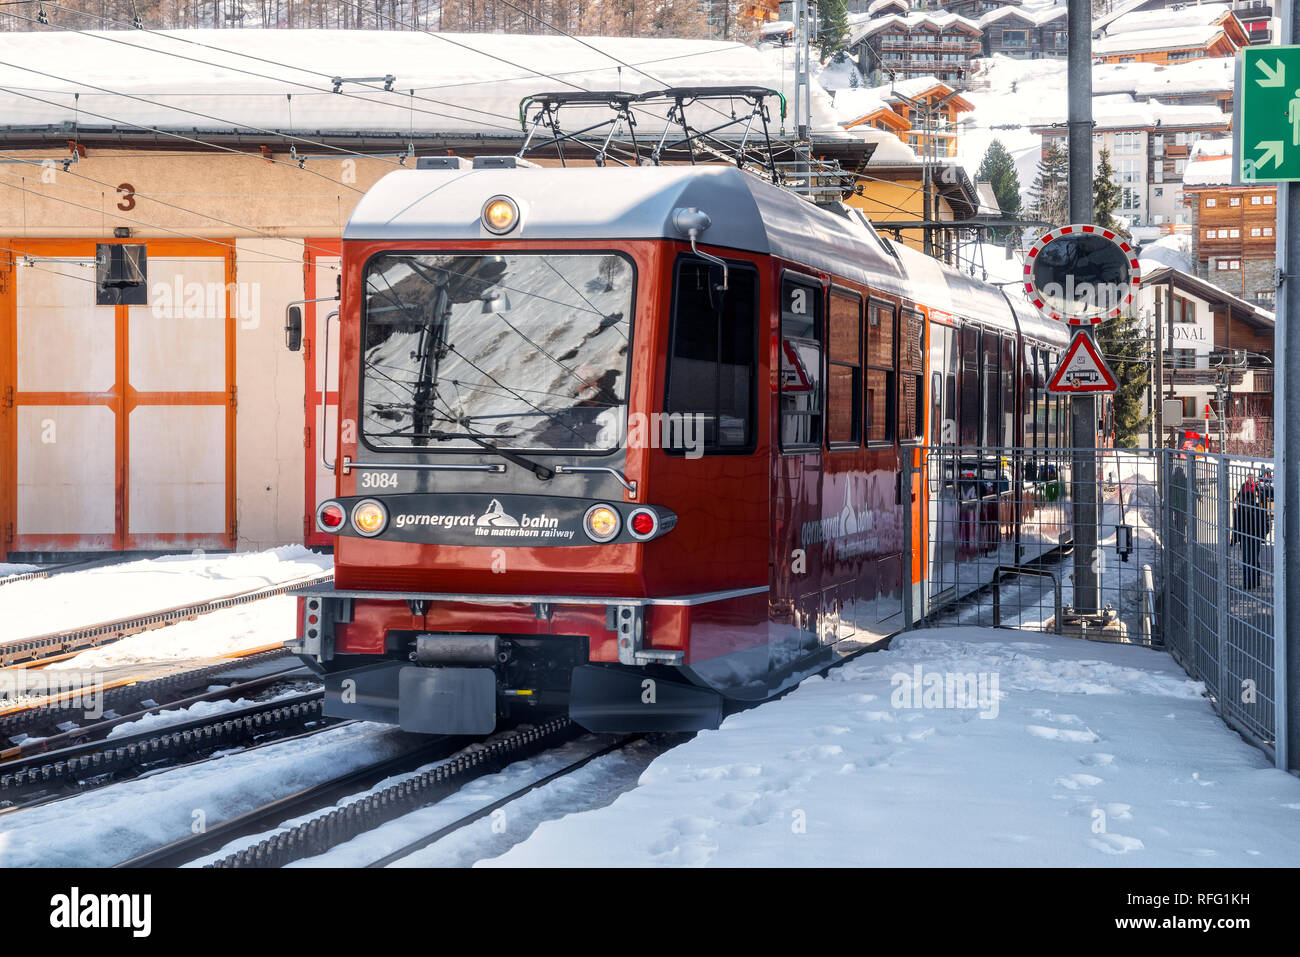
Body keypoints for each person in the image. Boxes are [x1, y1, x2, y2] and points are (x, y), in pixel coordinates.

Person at [1232, 473, 1273, 591]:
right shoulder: (1254, 493)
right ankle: (1252, 581)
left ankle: (1250, 581)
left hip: (1249, 531)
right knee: (1252, 557)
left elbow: (1237, 518)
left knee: (1249, 558)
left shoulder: (1255, 491)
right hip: (1253, 531)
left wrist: (1235, 535)